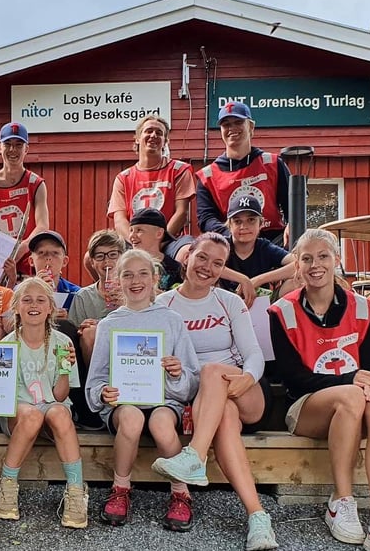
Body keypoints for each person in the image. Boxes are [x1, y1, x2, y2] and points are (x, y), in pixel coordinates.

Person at [152, 233, 278, 550]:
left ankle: (195, 455)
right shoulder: (164, 304)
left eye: (218, 263)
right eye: (203, 257)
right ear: (188, 257)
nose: (208, 267)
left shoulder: (229, 301)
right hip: (202, 398)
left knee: (212, 370)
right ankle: (258, 517)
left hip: (244, 388)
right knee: (225, 417)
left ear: (223, 269)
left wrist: (248, 377)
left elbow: (253, 353)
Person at [269, 229, 370, 547]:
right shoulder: (282, 311)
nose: (316, 265)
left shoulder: (363, 307)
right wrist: (348, 380)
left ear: (336, 260)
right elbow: (293, 378)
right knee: (352, 394)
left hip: (357, 404)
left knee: (368, 400)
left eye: (323, 256)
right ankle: (341, 501)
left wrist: (360, 383)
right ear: (297, 266)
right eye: (307, 259)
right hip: (306, 408)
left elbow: (369, 371)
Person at [85, 249, 200, 531]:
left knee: (161, 423)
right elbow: (95, 379)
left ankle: (180, 492)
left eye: (143, 274)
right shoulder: (110, 324)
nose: (135, 281)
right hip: (124, 405)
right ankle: (120, 487)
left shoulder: (172, 320)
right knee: (132, 418)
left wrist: (177, 373)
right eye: (128, 275)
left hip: (164, 402)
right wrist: (103, 393)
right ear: (118, 281)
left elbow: (192, 380)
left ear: (155, 278)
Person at [0, 277, 87, 527]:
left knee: (59, 413)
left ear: (50, 308)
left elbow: (60, 396)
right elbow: (2, 395)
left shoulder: (62, 342)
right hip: (20, 413)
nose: (33, 305)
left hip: (52, 407)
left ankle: (76, 490)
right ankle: (7, 483)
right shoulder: (7, 345)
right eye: (27, 300)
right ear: (16, 307)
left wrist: (65, 369)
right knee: (33, 415)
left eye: (40, 300)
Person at [196, 102, 290, 245]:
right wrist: (231, 235)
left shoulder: (273, 163)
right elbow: (206, 219)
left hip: (275, 241)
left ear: (251, 127)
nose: (232, 128)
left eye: (238, 122)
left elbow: (292, 204)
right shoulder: (207, 176)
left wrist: (292, 225)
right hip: (231, 245)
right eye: (226, 124)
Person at [0, 122, 50, 277]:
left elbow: (42, 225)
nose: (12, 149)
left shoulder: (35, 184)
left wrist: (22, 248)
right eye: (7, 144)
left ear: (26, 149)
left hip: (27, 265)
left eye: (18, 145)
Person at [108, 116, 195, 242]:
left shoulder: (179, 170)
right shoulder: (123, 178)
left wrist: (158, 242)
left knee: (187, 250)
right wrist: (136, 243)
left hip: (170, 241)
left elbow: (181, 213)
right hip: (134, 242)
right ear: (137, 139)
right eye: (149, 131)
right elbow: (119, 220)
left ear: (165, 141)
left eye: (159, 133)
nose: (153, 135)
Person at [68, 230, 127, 365]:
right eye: (100, 256)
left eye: (113, 255)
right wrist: (81, 328)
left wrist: (126, 303)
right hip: (94, 354)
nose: (107, 261)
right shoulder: (83, 296)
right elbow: (73, 336)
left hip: (129, 348)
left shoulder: (134, 290)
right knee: (89, 332)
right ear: (92, 262)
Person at [219, 196, 295, 297]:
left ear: (260, 224)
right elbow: (205, 264)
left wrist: (258, 280)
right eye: (237, 221)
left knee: (298, 281)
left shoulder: (264, 247)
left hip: (261, 301)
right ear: (229, 225)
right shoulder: (221, 246)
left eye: (251, 220)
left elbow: (300, 264)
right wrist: (243, 280)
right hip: (223, 302)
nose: (244, 227)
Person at [22, 231, 79, 316]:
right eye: (41, 253)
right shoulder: (20, 292)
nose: (48, 258)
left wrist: (69, 319)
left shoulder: (76, 294)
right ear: (31, 261)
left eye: (55, 253)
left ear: (64, 261)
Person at [127, 208, 182, 291]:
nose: (132, 236)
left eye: (139, 230)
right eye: (131, 230)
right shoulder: (125, 265)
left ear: (159, 233)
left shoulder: (175, 269)